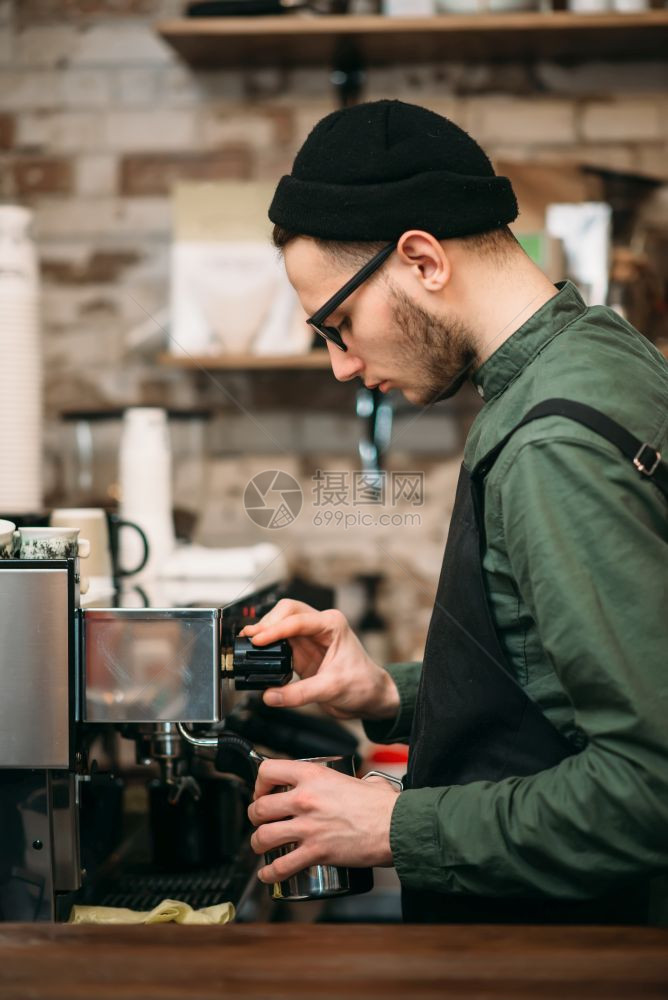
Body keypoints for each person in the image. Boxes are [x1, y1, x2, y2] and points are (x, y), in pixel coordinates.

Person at [242, 99, 668, 924]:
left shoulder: (554, 443)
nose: (340, 365)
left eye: (340, 323)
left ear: (424, 261)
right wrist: (388, 692)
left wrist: (395, 825)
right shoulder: (597, 350)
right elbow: (568, 685)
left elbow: (650, 786)